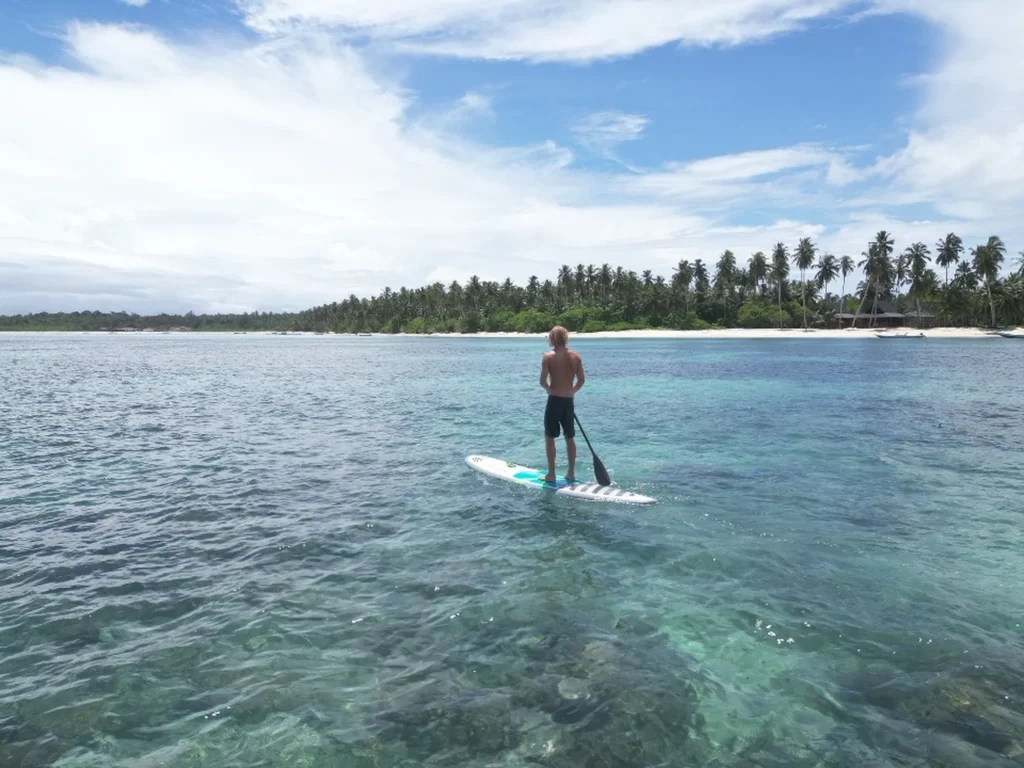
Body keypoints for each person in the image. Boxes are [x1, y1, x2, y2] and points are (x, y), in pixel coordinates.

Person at [539, 325, 585, 483]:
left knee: (550, 437)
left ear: (553, 339)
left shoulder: (548, 357)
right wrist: (572, 391)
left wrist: (548, 389)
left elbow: (542, 381)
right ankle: (571, 473)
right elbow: (581, 380)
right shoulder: (575, 356)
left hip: (554, 401)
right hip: (568, 401)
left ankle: (551, 474)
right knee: (569, 437)